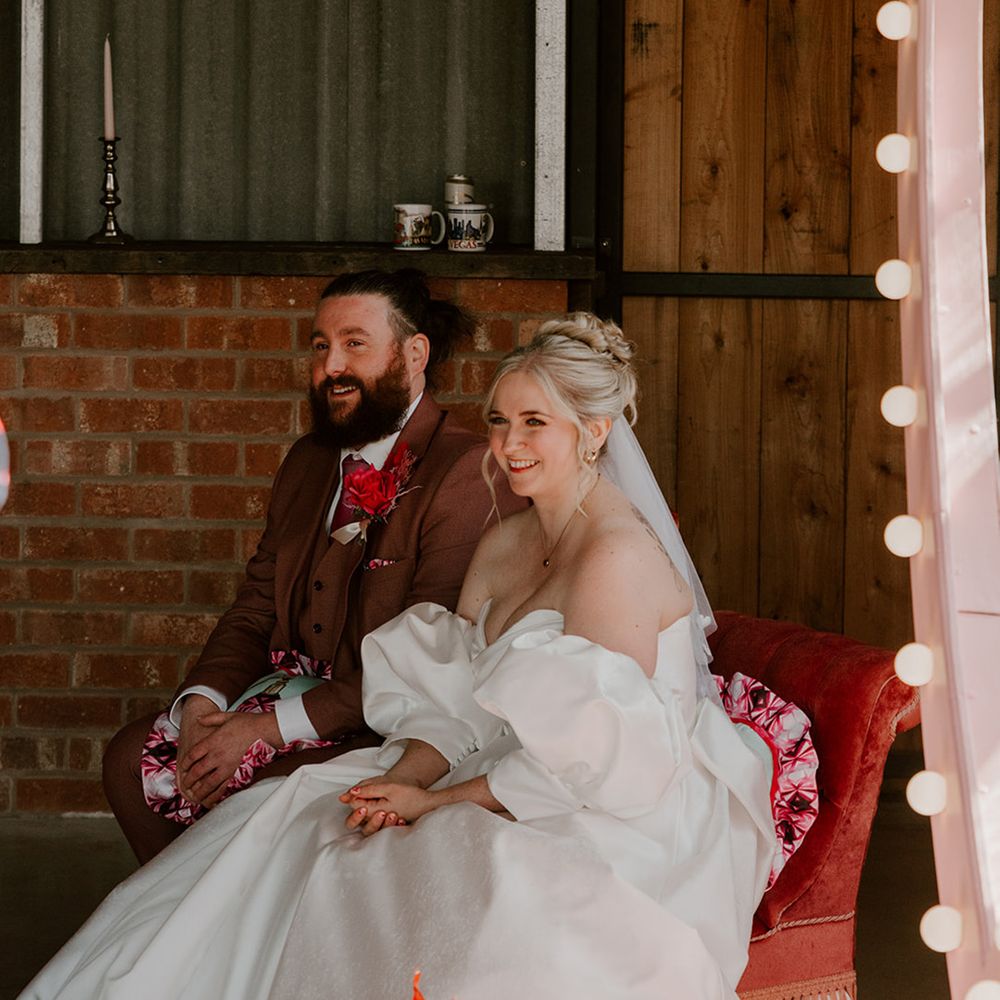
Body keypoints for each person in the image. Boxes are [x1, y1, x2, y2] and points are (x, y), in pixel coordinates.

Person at [23, 315, 778, 1000]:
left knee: (473, 881)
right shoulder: (506, 542)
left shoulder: (613, 557)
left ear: (596, 431)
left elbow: (594, 761)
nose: (509, 445)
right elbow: (454, 701)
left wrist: (440, 802)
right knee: (297, 824)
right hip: (508, 762)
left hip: (615, 799)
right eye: (499, 421)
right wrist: (399, 780)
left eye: (535, 424)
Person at [103, 268, 523, 864]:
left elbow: (435, 664)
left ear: (413, 353)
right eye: (321, 346)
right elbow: (255, 605)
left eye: (355, 344)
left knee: (260, 795)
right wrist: (203, 703)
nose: (330, 367)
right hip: (282, 691)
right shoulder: (308, 460)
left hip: (389, 724)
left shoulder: (464, 470)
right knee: (130, 757)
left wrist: (265, 730)